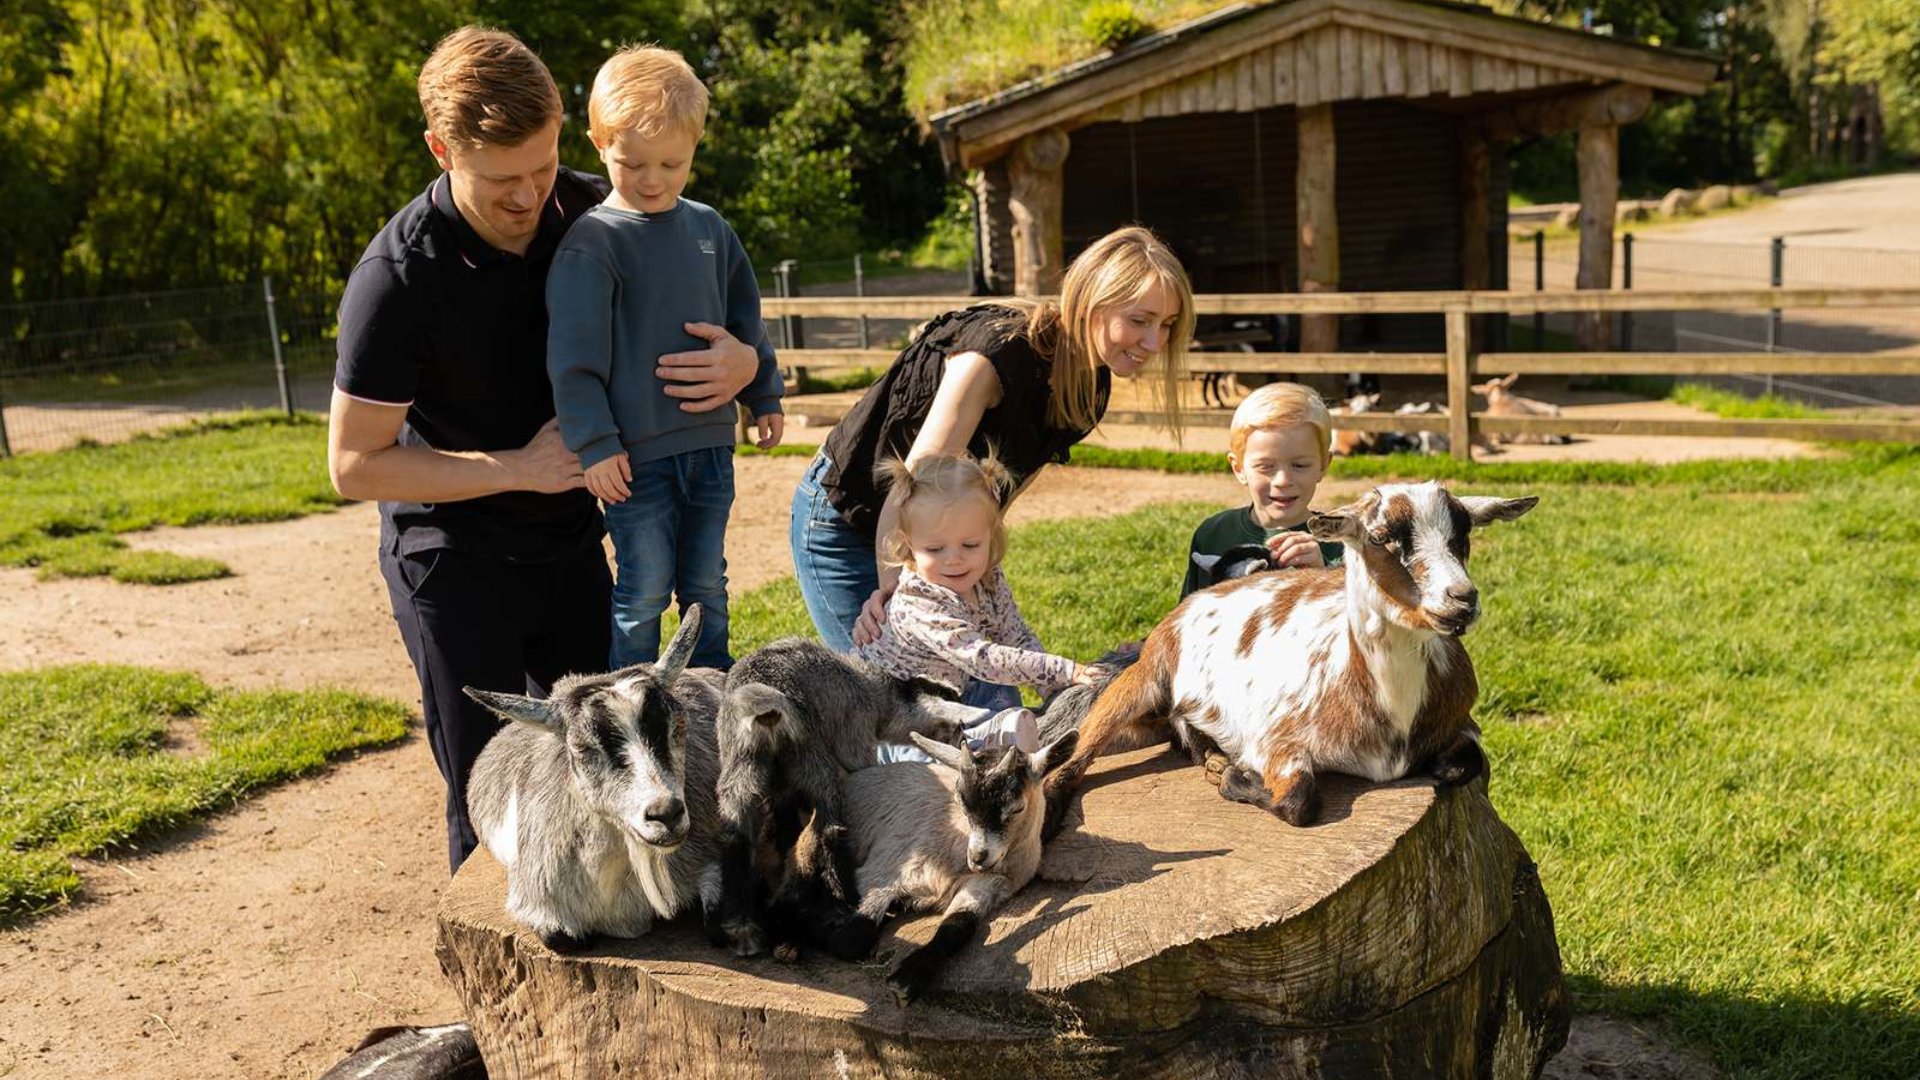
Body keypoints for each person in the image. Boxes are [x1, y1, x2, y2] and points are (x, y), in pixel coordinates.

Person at [326, 27, 762, 873]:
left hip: (572, 541)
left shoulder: (603, 206)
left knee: (620, 766)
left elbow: (711, 295)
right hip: (453, 560)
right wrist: (516, 468)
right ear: (440, 149)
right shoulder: (396, 279)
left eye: (544, 165)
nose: (531, 196)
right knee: (498, 798)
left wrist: (744, 363)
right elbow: (353, 465)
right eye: (502, 180)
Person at [791, 225, 1196, 652]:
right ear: (1090, 301)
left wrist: (978, 580)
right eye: (1139, 320)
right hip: (853, 517)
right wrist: (897, 597)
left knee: (978, 680)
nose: (1155, 342)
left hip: (938, 540)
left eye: (1167, 325)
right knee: (891, 677)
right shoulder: (998, 354)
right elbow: (913, 482)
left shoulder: (1089, 388)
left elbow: (997, 498)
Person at [547, 45, 783, 671]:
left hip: (711, 448)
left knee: (707, 584)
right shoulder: (592, 243)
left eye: (672, 164)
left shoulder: (710, 229)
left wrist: (764, 392)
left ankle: (710, 690)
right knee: (644, 591)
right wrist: (595, 444)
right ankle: (632, 698)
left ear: (695, 147)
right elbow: (572, 359)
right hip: (634, 461)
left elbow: (745, 321)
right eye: (633, 163)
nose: (652, 179)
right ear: (599, 144)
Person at [853, 453, 1107, 759]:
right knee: (937, 765)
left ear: (991, 535)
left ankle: (1003, 736)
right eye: (934, 548)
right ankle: (983, 743)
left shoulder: (988, 578)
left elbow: (1015, 635)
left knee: (1001, 688)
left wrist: (1054, 688)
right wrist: (1062, 670)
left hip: (950, 691)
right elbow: (981, 659)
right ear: (909, 546)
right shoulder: (918, 600)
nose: (954, 559)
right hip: (895, 717)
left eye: (970, 545)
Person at [1179, 382, 1345, 599]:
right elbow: (1189, 613)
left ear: (1323, 465)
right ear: (1239, 468)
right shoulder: (1213, 535)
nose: (1283, 481)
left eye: (1300, 465)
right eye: (1265, 466)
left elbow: (1357, 616)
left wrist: (1323, 576)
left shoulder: (1342, 545)